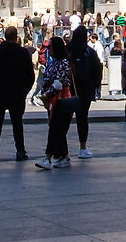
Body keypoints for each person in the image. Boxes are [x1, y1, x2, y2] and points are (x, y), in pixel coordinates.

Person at [0, 27, 34, 159]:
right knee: (17, 123)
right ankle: (20, 151)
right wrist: (24, 91)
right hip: (16, 93)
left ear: (4, 35)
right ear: (16, 37)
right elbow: (30, 76)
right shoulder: (23, 52)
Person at [35, 32, 76, 168]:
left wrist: (47, 95)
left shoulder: (63, 63)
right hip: (52, 99)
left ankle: (48, 158)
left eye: (50, 47)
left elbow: (60, 82)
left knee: (54, 129)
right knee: (57, 130)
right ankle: (63, 156)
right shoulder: (53, 62)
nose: (48, 49)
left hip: (60, 99)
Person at [69, 23, 103, 156]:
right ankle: (83, 147)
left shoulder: (68, 50)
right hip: (85, 90)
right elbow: (98, 72)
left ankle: (61, 151)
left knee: (63, 120)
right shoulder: (90, 52)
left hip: (69, 88)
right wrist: (94, 87)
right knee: (82, 119)